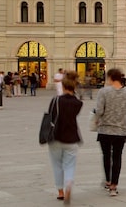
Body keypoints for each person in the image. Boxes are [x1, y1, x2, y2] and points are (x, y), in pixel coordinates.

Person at [95, 68, 126, 197]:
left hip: (105, 129)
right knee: (117, 157)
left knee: (106, 156)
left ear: (110, 78)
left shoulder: (103, 92)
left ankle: (107, 180)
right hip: (121, 129)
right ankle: (114, 186)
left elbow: (99, 111)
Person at [47, 71, 83, 204]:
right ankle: (68, 184)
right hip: (72, 137)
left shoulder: (56, 100)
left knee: (57, 165)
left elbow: (50, 115)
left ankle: (60, 191)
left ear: (63, 86)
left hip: (55, 137)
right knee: (70, 165)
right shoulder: (78, 103)